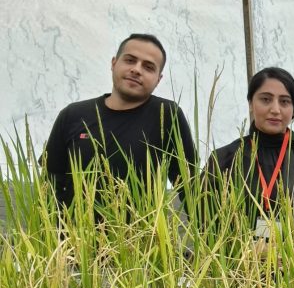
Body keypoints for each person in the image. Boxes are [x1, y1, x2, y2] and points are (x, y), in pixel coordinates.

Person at [43, 33, 197, 208]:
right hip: (75, 233)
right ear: (114, 63)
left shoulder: (167, 115)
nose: (137, 69)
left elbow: (189, 185)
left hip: (139, 234)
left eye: (148, 67)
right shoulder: (73, 115)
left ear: (158, 79)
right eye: (130, 60)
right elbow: (50, 181)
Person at [204, 67, 294, 230]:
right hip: (242, 255)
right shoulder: (223, 159)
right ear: (251, 103)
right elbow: (205, 226)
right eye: (266, 99)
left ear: (293, 109)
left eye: (284, 101)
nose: (275, 110)